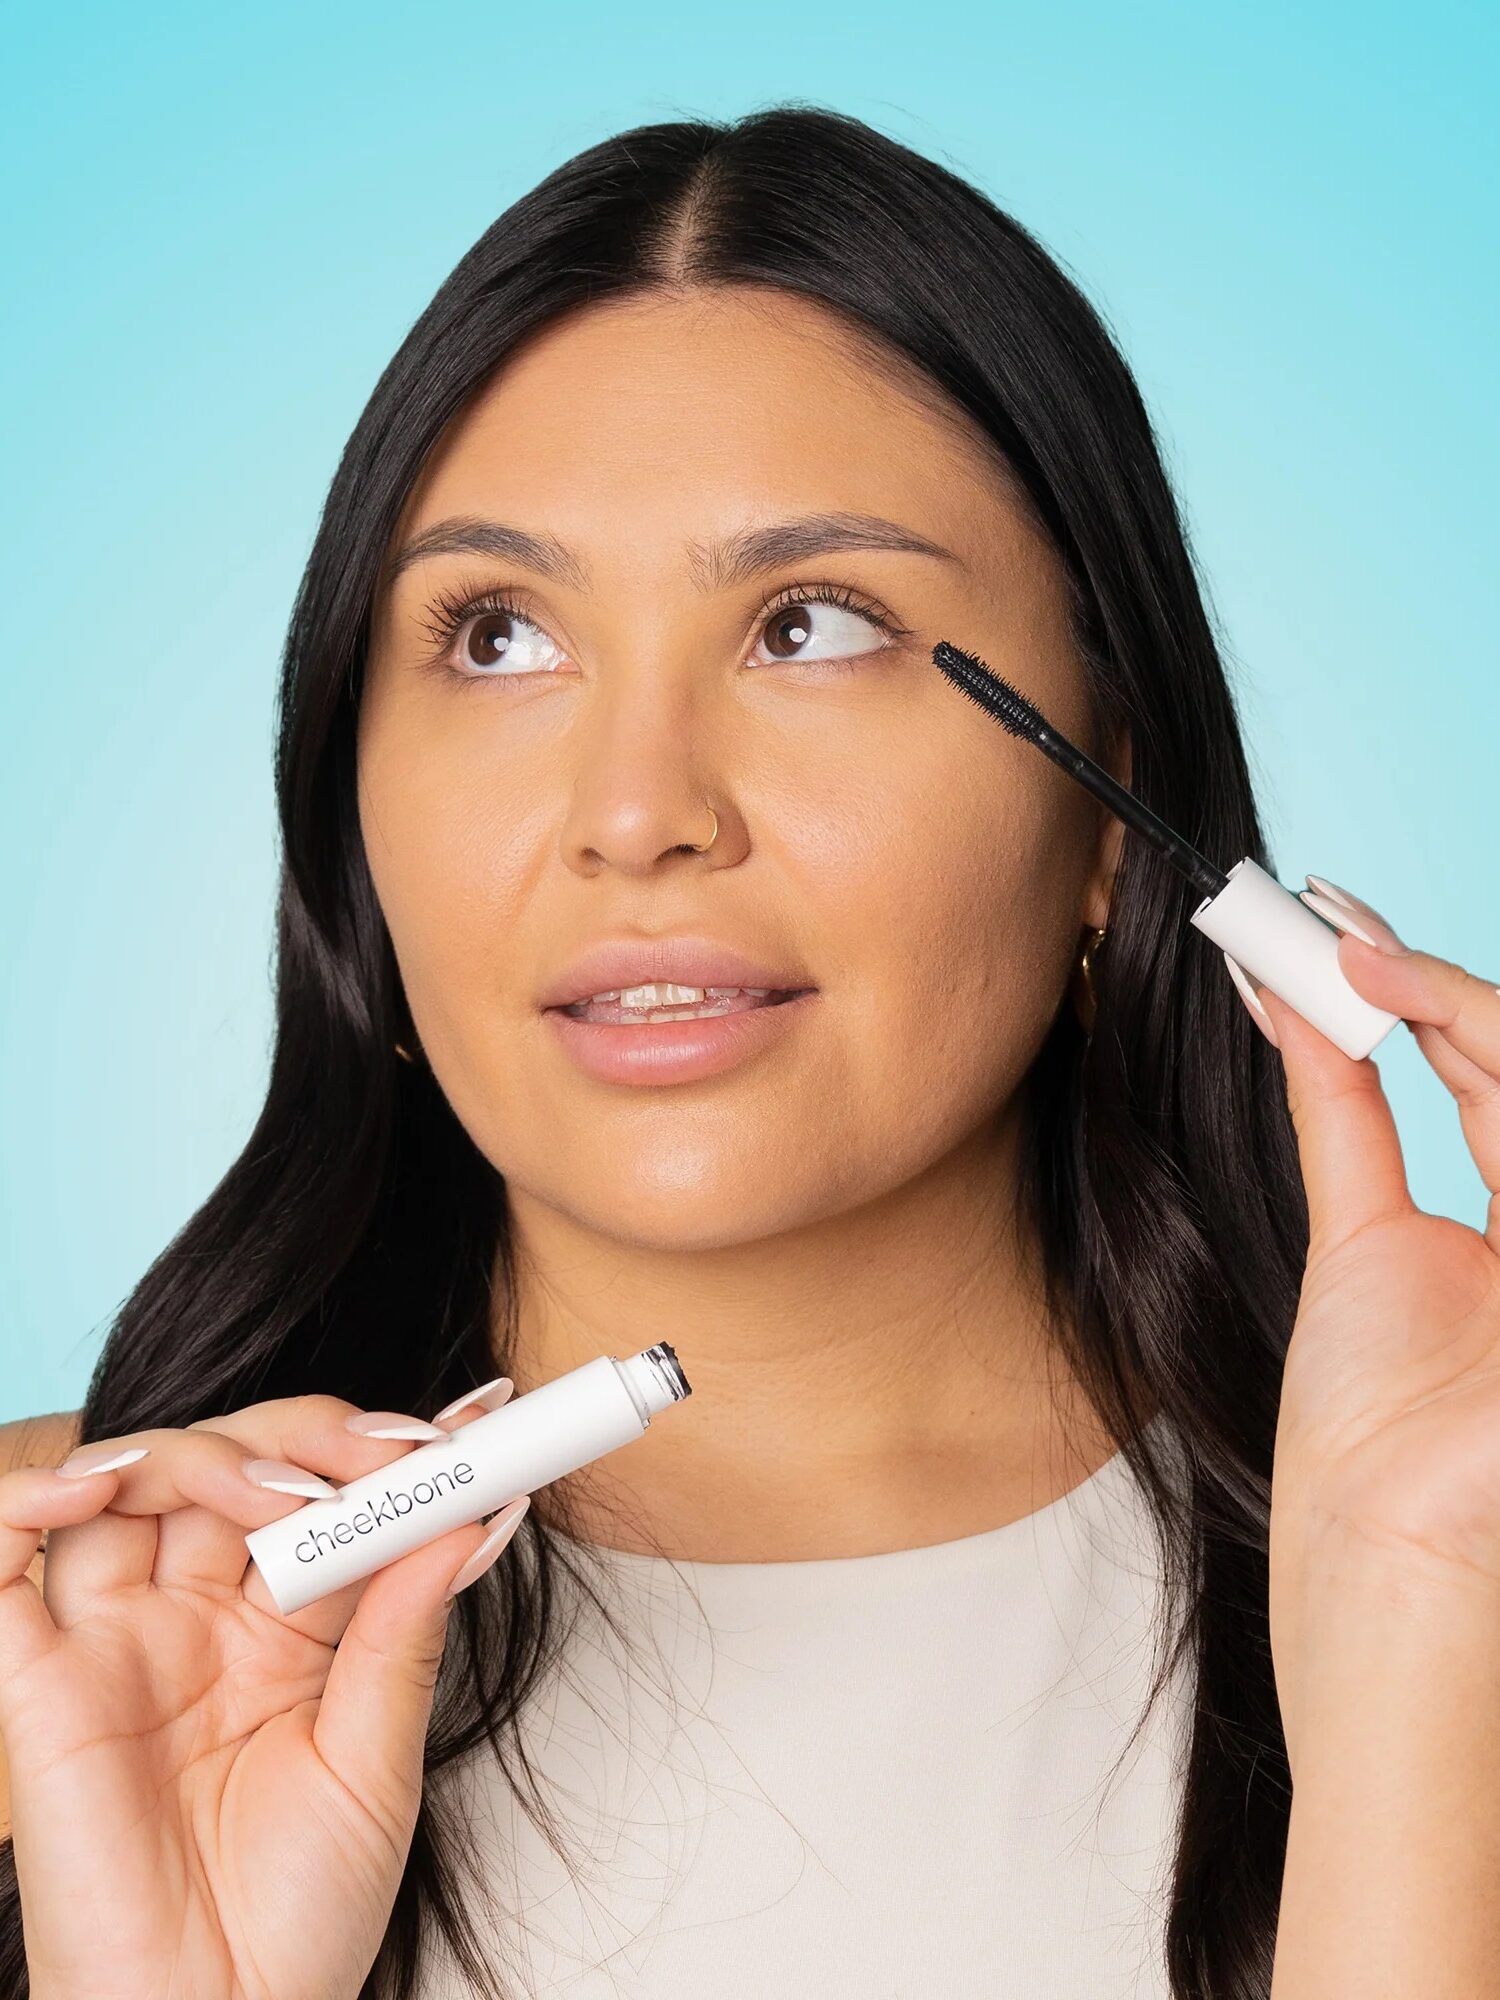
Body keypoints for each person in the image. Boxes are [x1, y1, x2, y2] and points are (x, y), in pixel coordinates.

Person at [2, 105, 1498, 2000]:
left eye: (811, 625)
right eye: (494, 638)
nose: (636, 812)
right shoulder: (61, 1646)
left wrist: (1429, 1638)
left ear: (1115, 818)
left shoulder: (1460, 1558)